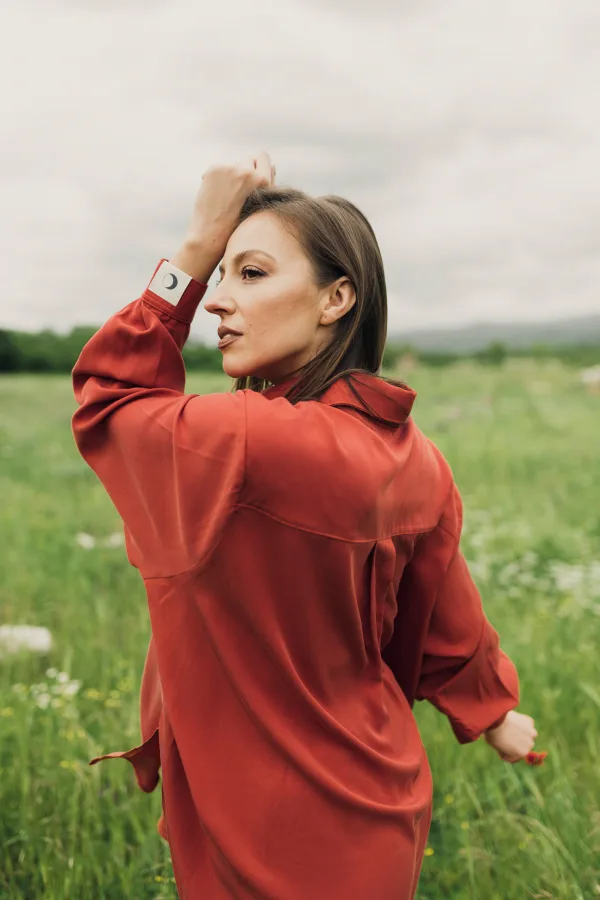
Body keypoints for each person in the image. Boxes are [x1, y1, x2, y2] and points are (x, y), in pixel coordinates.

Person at [71, 151, 538, 899]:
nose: (219, 301)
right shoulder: (414, 456)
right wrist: (494, 715)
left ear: (335, 299)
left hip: (264, 829)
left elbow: (108, 399)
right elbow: (446, 622)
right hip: (377, 811)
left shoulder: (250, 443)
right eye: (220, 274)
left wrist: (191, 250)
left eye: (250, 274)